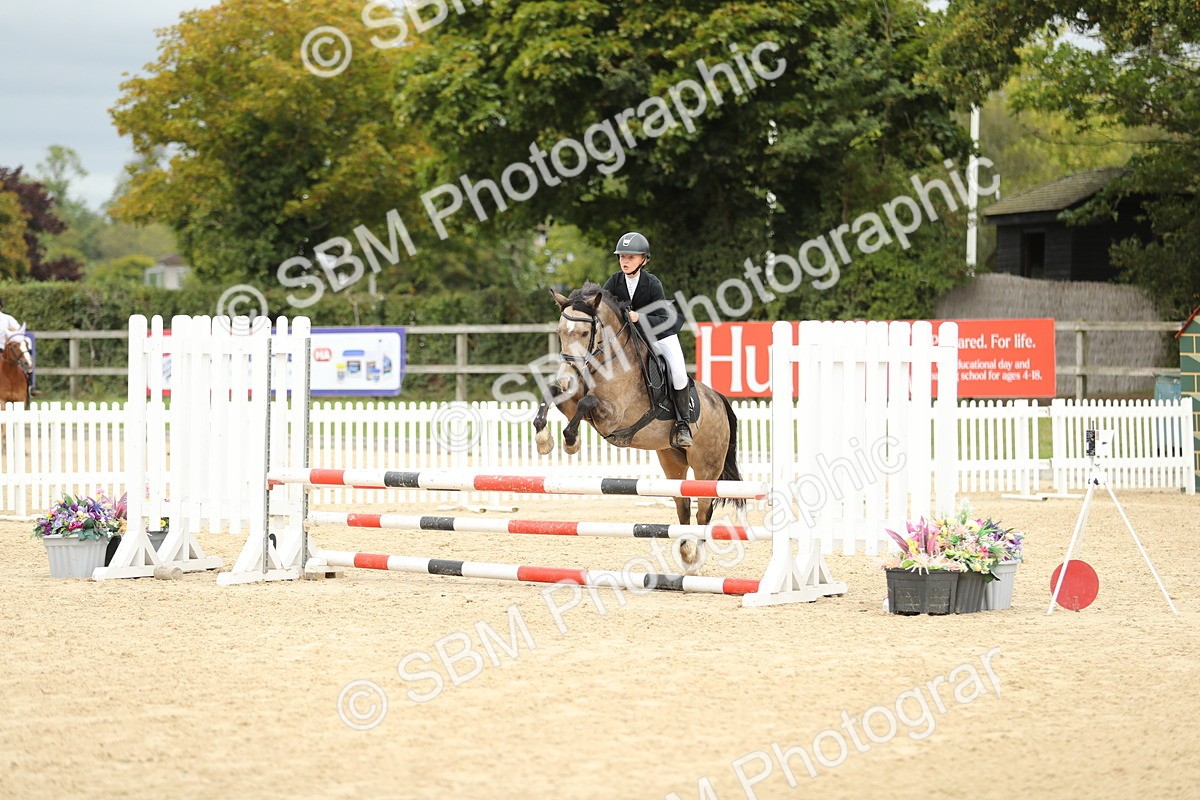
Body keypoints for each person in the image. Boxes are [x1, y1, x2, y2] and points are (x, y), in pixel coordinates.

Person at [601, 231, 693, 448]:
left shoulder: (652, 283)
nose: (625, 261)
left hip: (659, 333)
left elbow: (662, 318)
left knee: (679, 373)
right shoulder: (614, 281)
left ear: (643, 260)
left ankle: (683, 424)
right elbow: (601, 305)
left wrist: (638, 317)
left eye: (630, 257)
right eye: (622, 256)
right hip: (630, 337)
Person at [0, 298, 37, 396]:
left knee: (26, 360)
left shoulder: (8, 319)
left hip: (8, 350)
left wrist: (11, 332)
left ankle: (31, 385)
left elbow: (18, 333)